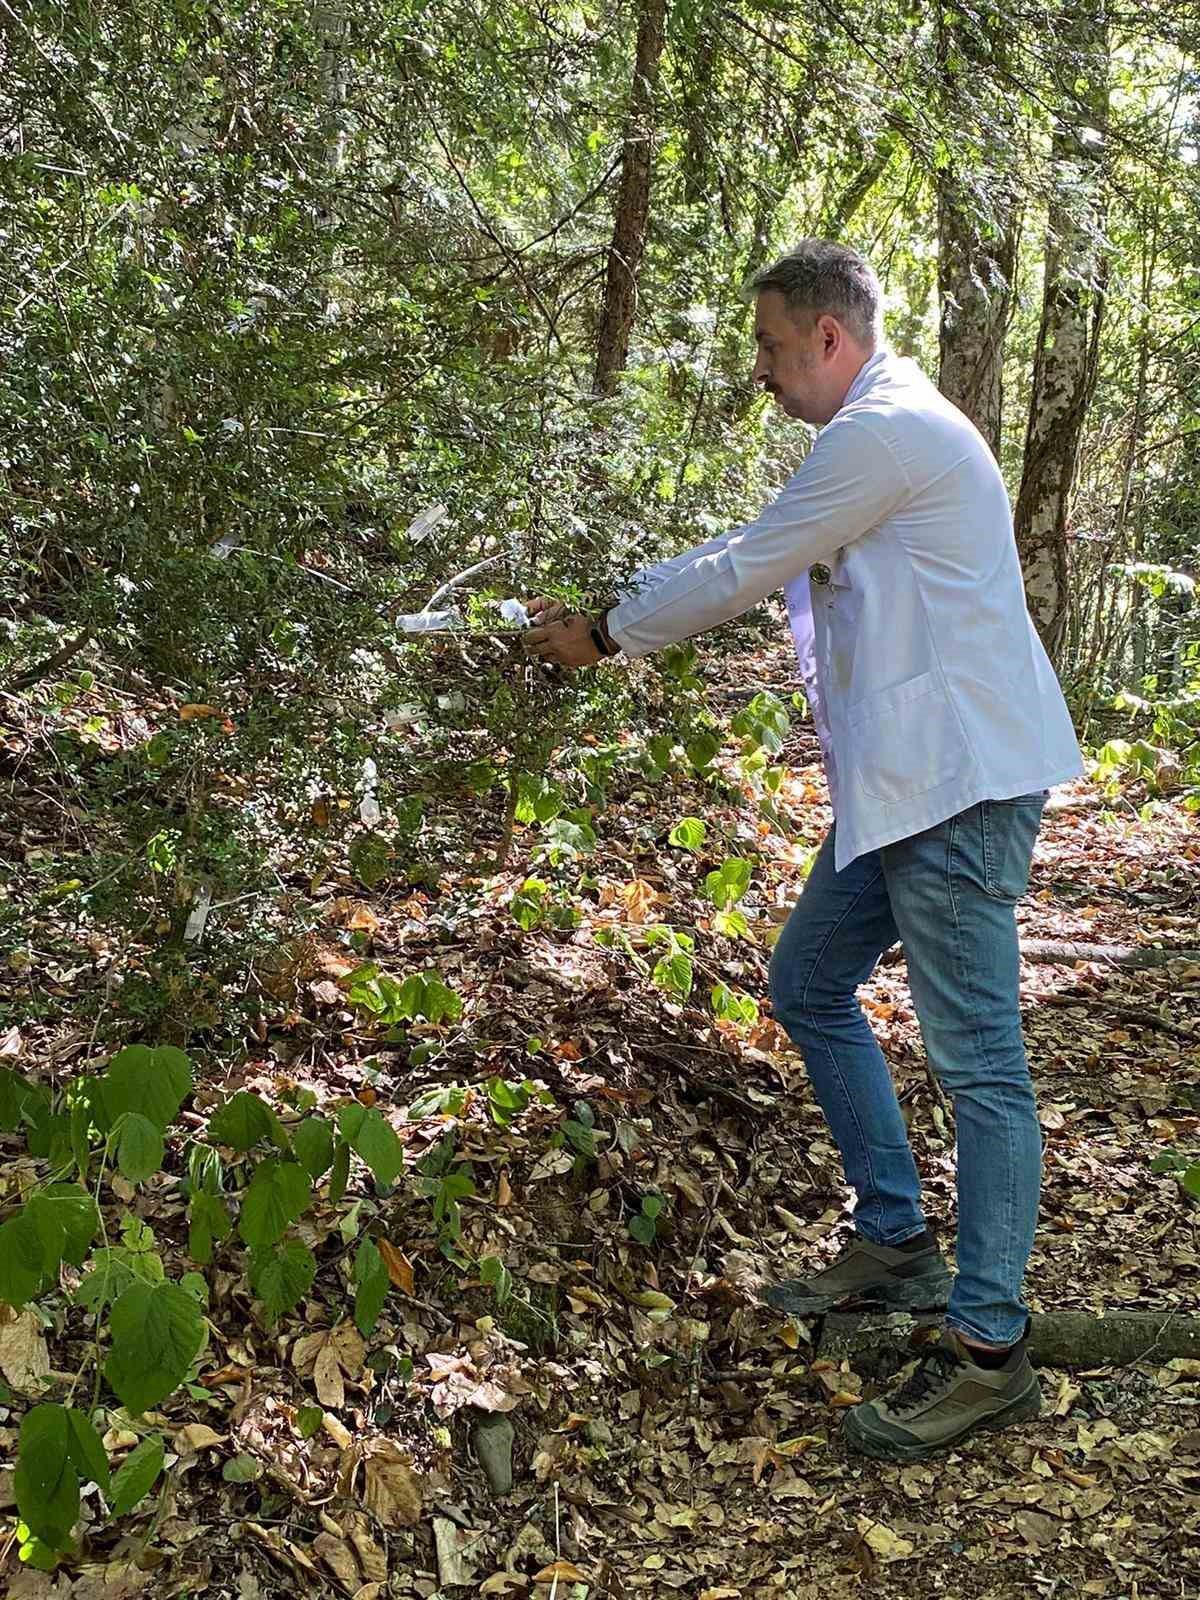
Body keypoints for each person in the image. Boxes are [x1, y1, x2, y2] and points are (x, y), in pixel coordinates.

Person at [524, 239, 1083, 1461]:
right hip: (905, 785)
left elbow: (748, 563)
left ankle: (989, 1350)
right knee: (809, 979)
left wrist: (610, 632)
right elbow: (766, 552)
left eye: (774, 347)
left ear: (830, 337)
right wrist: (614, 606)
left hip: (957, 785)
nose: (765, 371)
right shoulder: (878, 431)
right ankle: (896, 1236)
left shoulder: (885, 433)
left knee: (982, 1066)